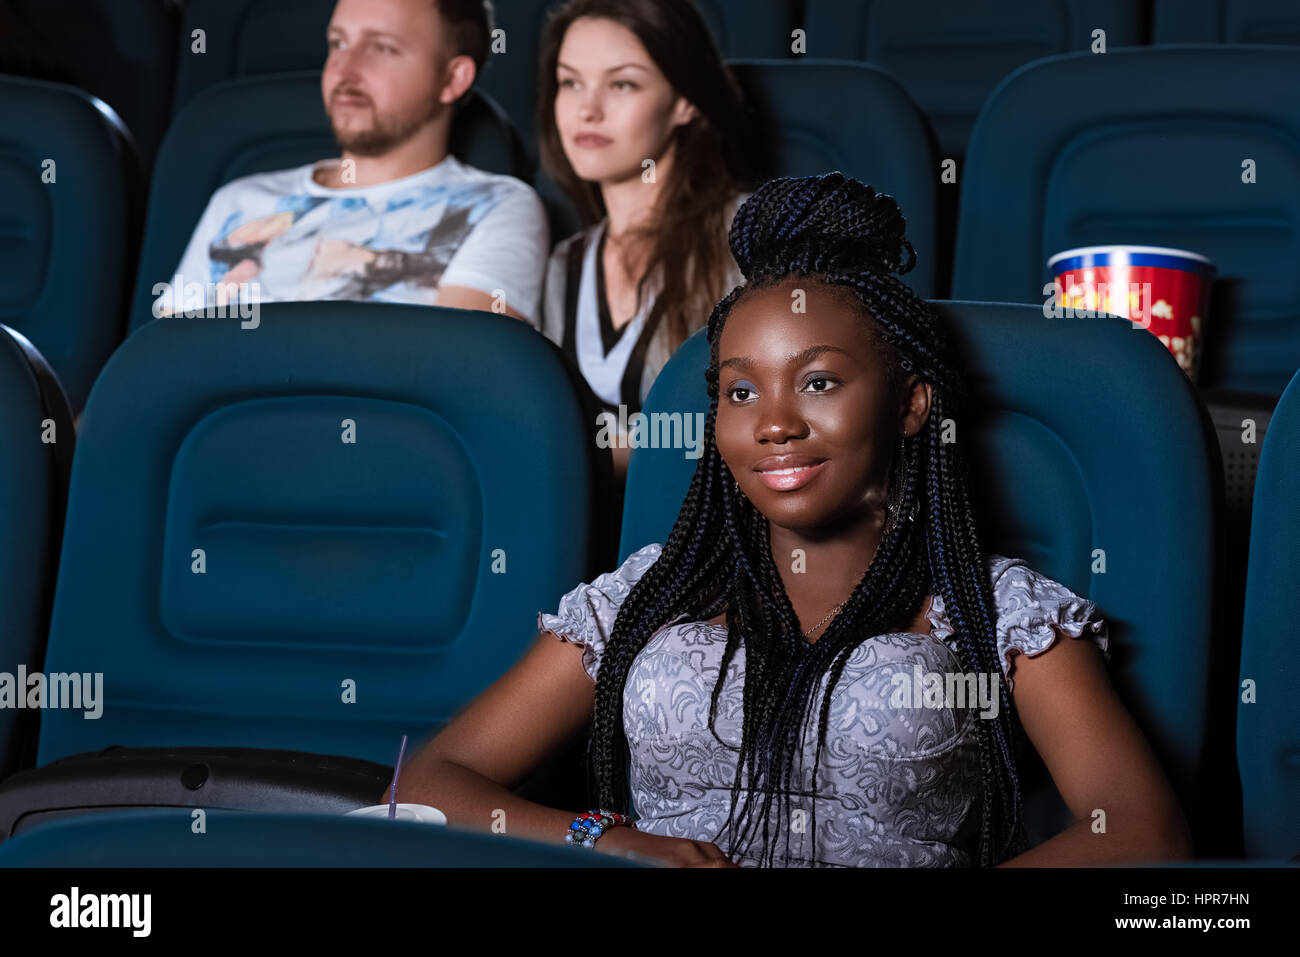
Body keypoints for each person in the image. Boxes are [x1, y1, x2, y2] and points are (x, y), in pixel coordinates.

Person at [390, 174, 1193, 868]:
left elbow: (1139, 833)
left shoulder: (995, 610)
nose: (773, 423)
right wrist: (603, 839)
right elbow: (434, 781)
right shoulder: (647, 592)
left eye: (818, 382)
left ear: (911, 403)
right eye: (741, 392)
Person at [154, 0, 547, 322]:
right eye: (338, 43)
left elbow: (457, 377)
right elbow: (163, 368)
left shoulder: (496, 207)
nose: (344, 70)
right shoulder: (238, 200)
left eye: (381, 48)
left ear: (452, 78)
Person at [532, 0, 756, 479]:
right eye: (570, 82)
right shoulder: (563, 263)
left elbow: (756, 426)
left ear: (684, 101)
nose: (586, 109)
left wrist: (570, 450)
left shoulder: (746, 237)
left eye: (622, 84)